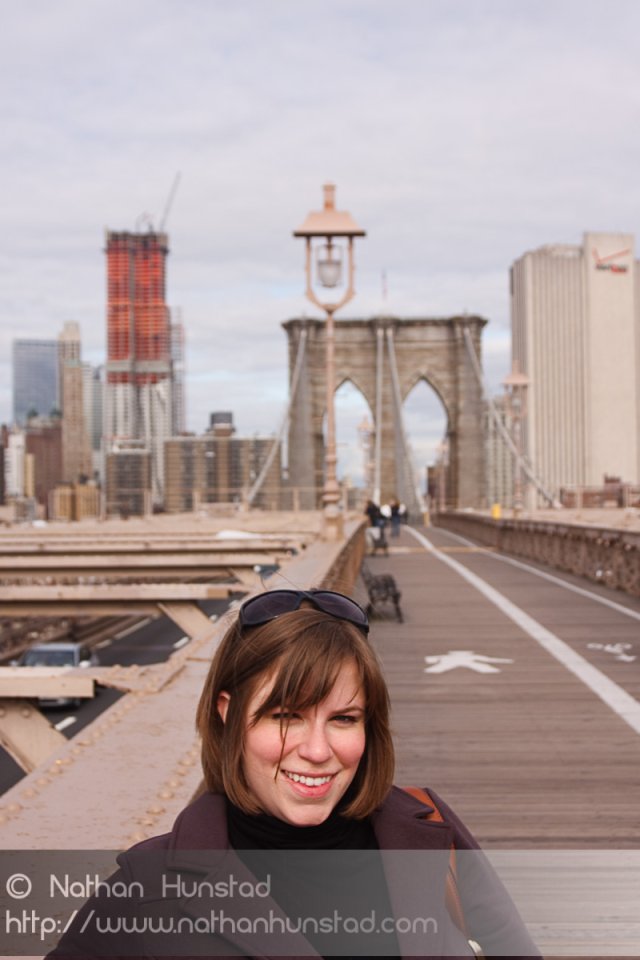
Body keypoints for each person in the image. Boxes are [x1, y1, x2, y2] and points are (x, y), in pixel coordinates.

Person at [49, 589, 539, 959]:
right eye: (285, 716)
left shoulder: (428, 828)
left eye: (344, 719)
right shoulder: (148, 887)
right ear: (229, 712)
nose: (318, 750)